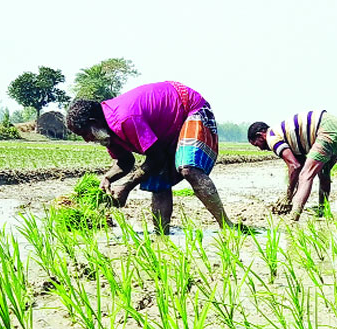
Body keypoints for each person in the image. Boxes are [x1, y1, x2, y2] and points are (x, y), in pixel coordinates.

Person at [65, 80, 241, 233]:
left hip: (189, 108)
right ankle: (162, 235)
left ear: (93, 123)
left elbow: (155, 158)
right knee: (157, 178)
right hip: (163, 130)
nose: (86, 140)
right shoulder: (107, 133)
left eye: (84, 134)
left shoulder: (125, 119)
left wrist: (126, 187)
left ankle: (227, 225)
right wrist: (108, 178)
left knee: (188, 168)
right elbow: (125, 161)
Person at [246, 110, 337, 221]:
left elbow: (294, 167)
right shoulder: (287, 138)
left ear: (260, 135)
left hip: (325, 128)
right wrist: (292, 194)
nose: (260, 149)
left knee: (306, 175)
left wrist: (288, 196)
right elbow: (299, 166)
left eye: (257, 144)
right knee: (323, 173)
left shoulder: (271, 137)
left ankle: (294, 219)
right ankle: (323, 210)